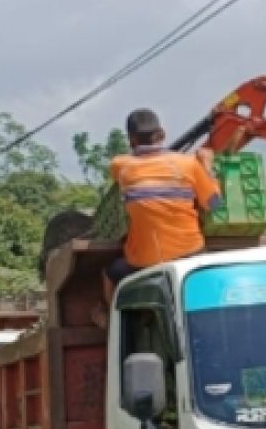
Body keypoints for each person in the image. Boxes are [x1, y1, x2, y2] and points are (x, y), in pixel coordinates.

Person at [92, 108, 223, 328]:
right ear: (161, 133)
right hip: (189, 254)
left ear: (131, 139)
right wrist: (206, 164)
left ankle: (112, 322)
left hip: (145, 262)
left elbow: (132, 163)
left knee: (110, 273)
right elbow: (214, 204)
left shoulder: (121, 167)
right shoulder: (189, 165)